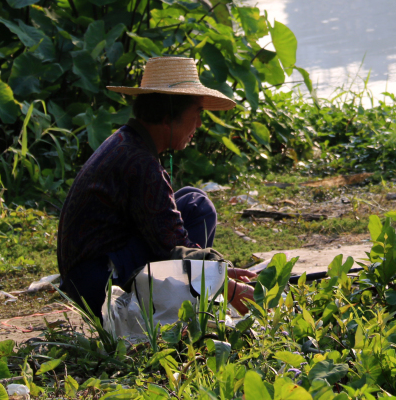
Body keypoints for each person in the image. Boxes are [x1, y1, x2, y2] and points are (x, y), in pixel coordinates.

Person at [57, 56, 256, 318]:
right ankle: (188, 303)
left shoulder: (126, 142)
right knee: (186, 244)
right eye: (196, 113)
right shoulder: (140, 164)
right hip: (98, 284)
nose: (198, 124)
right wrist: (226, 286)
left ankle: (196, 289)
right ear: (167, 117)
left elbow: (165, 229)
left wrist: (215, 268)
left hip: (97, 268)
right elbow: (170, 246)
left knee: (195, 204)